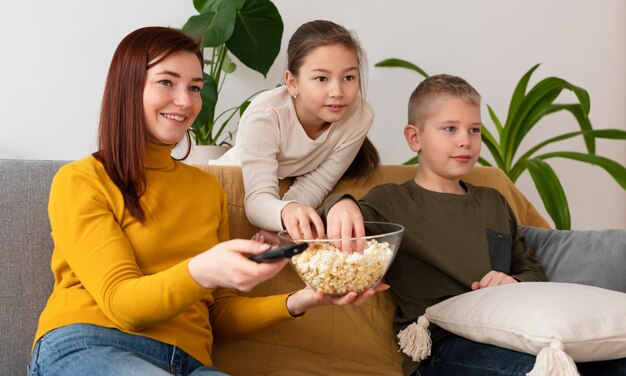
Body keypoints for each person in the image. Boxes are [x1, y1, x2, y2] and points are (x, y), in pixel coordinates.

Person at [27, 26, 386, 376]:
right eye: (167, 82)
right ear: (128, 86)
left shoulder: (206, 189)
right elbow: (124, 305)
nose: (185, 101)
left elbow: (220, 314)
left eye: (195, 87)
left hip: (187, 362)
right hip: (91, 345)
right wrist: (203, 268)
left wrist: (303, 299)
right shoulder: (82, 180)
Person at [321, 74, 626, 375]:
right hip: (439, 347)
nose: (465, 141)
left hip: (507, 332)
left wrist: (514, 282)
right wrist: (341, 202)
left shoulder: (493, 201)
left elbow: (531, 269)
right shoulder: (390, 200)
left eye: (475, 129)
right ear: (415, 138)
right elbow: (331, 218)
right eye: (450, 129)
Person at [218, 20, 379, 242]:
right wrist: (285, 212)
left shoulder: (360, 117)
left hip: (276, 206)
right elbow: (257, 199)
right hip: (231, 192)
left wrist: (284, 225)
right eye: (321, 78)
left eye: (349, 77)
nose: (337, 91)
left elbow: (316, 184)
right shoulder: (265, 116)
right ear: (292, 82)